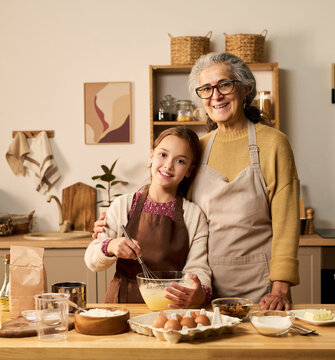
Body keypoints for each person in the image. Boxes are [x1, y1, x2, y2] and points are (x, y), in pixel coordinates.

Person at [187, 52, 300, 310]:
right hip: (204, 287)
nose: (215, 96)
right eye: (206, 89)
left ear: (245, 89)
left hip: (263, 291)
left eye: (224, 85)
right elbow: (171, 203)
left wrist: (280, 289)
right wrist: (117, 220)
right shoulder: (197, 148)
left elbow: (286, 222)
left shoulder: (274, 143)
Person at [84, 126, 211, 308]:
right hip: (122, 305)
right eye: (163, 155)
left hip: (170, 306)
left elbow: (198, 268)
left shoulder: (194, 215)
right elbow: (92, 259)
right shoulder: (123, 205)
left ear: (189, 170)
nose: (168, 165)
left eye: (180, 161)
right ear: (151, 156)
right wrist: (110, 246)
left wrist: (197, 292)